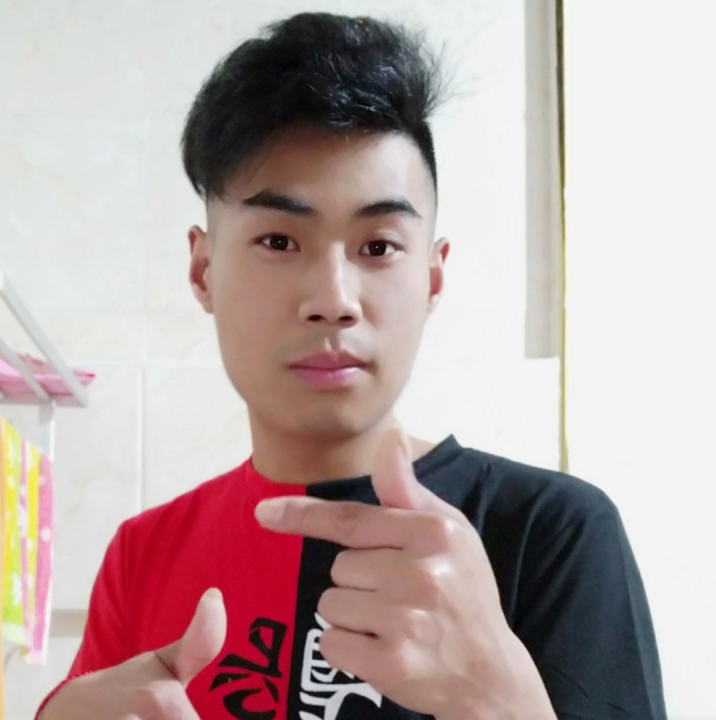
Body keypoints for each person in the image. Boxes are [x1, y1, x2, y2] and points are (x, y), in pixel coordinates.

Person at [38, 12, 667, 720]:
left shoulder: (553, 532)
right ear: (203, 270)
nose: (333, 300)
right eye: (279, 241)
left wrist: (496, 699)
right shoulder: (144, 555)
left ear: (432, 278)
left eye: (378, 247)